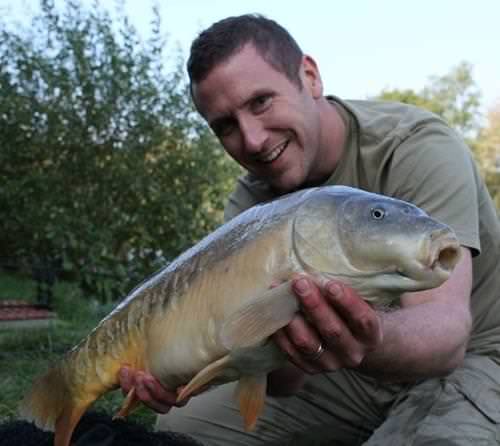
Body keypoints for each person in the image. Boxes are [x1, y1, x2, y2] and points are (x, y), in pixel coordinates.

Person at [119, 14, 500, 445]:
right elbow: (283, 382)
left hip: (474, 357)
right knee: (182, 430)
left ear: (310, 76)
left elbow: (445, 336)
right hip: (347, 372)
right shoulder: (251, 205)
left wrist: (356, 334)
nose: (253, 140)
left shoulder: (414, 146)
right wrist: (189, 367)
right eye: (225, 125)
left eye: (261, 102)